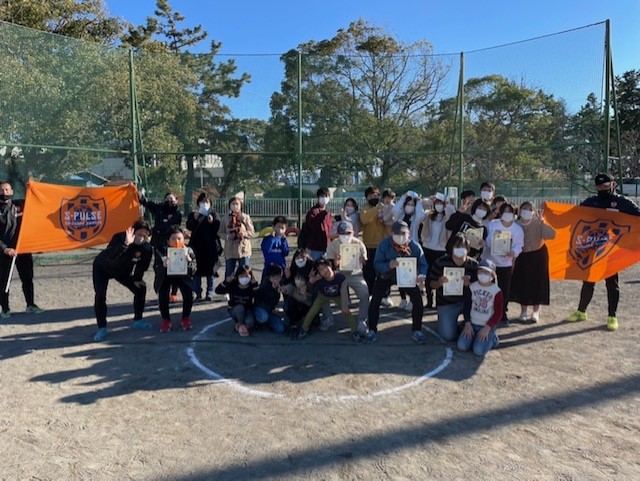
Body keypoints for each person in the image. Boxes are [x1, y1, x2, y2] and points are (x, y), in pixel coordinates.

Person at [565, 173, 640, 331]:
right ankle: (581, 311)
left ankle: (612, 316)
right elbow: (572, 214)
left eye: (605, 186)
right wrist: (551, 212)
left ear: (613, 184)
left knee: (612, 283)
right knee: (588, 280)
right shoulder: (591, 202)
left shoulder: (622, 202)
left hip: (611, 250)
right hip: (592, 248)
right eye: (599, 186)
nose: (602, 189)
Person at [365, 221, 428, 344]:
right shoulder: (384, 245)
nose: (401, 236)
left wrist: (422, 275)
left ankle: (417, 330)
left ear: (408, 234)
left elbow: (423, 264)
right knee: (375, 300)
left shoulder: (415, 246)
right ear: (391, 233)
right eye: (398, 234)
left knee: (418, 301)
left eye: (404, 234)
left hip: (407, 278)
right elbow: (377, 264)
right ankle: (372, 330)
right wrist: (388, 265)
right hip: (386, 276)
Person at [92, 220, 153, 342]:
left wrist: (137, 279)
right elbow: (110, 256)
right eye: (139, 234)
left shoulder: (146, 248)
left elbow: (142, 266)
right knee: (100, 295)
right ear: (133, 232)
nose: (141, 238)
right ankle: (101, 328)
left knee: (141, 288)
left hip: (122, 271)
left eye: (145, 235)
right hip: (103, 267)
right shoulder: (120, 237)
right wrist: (125, 244)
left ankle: (138, 320)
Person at [0, 180, 44, 318]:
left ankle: (30, 305)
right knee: (3, 281)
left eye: (7, 190)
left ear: (12, 191)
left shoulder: (19, 205)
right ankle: (5, 309)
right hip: (5, 252)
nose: (5, 192)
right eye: (2, 190)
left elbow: (36, 202)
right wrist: (4, 249)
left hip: (22, 249)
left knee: (27, 278)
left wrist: (32, 188)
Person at [511, 201, 556, 323]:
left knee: (538, 282)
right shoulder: (515, 224)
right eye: (524, 208)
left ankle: (536, 311)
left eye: (530, 209)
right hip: (521, 255)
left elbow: (552, 235)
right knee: (523, 282)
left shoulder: (538, 223)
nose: (527, 211)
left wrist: (543, 223)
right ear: (520, 210)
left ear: (534, 212)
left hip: (539, 255)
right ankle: (523, 311)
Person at [296, 258, 362, 342]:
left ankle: (355, 331)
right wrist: (311, 282)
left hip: (338, 296)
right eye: (321, 270)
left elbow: (344, 293)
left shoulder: (340, 277)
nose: (324, 270)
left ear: (330, 266)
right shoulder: (319, 280)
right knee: (312, 310)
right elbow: (309, 292)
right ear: (319, 273)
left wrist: (345, 305)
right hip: (323, 296)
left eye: (325, 267)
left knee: (347, 312)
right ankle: (304, 329)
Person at [429, 233, 478, 341]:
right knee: (447, 336)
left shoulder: (474, 265)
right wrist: (439, 282)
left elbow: (481, 288)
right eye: (457, 246)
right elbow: (431, 284)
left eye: (463, 246)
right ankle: (450, 324)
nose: (460, 249)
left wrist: (470, 284)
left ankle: (464, 325)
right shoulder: (441, 262)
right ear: (451, 248)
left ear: (468, 249)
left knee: (476, 328)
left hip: (468, 303)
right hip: (446, 303)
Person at [325, 220, 369, 335]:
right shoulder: (333, 245)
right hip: (338, 275)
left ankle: (362, 320)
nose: (345, 236)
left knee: (365, 293)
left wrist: (363, 260)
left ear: (353, 233)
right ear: (338, 234)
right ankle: (328, 317)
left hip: (356, 274)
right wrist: (336, 261)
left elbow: (365, 262)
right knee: (322, 291)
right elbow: (329, 266)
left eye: (348, 233)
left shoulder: (358, 243)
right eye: (342, 233)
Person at [482, 202, 524, 324]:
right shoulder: (493, 224)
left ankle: (501, 312)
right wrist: (487, 245)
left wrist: (512, 252)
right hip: (489, 261)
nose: (507, 214)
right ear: (500, 213)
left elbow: (519, 245)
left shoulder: (517, 229)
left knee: (504, 289)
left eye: (510, 212)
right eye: (505, 211)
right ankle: (487, 311)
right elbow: (487, 240)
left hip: (505, 264)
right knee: (488, 287)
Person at [139, 190, 182, 302]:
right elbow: (148, 203)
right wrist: (141, 197)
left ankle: (173, 293)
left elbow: (172, 226)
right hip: (159, 245)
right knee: (160, 270)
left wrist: (158, 229)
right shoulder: (159, 209)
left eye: (171, 199)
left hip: (173, 245)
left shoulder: (178, 214)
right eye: (167, 199)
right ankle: (161, 293)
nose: (169, 201)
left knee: (176, 270)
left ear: (176, 200)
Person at [458, 259, 501, 357]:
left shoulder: (496, 291)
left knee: (478, 351)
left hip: (487, 325)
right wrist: (467, 323)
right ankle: (476, 338)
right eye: (480, 271)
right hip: (472, 324)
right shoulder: (472, 287)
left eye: (486, 272)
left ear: (493, 275)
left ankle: (493, 338)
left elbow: (498, 313)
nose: (483, 274)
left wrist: (488, 328)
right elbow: (467, 306)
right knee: (462, 346)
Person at [156, 226, 196, 333]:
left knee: (189, 294)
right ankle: (166, 320)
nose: (176, 241)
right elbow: (156, 267)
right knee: (163, 295)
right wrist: (163, 265)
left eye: (179, 238)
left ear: (184, 239)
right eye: (173, 239)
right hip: (166, 277)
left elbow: (194, 269)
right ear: (168, 241)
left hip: (182, 276)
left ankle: (185, 318)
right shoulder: (161, 251)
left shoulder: (189, 250)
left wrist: (189, 262)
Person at [392, 191, 426, 312]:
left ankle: (412, 300)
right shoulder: (399, 216)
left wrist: (419, 202)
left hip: (412, 249)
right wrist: (403, 197)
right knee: (400, 274)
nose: (409, 206)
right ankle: (403, 298)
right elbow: (394, 210)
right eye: (408, 204)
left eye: (412, 204)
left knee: (412, 275)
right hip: (398, 247)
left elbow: (422, 215)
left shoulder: (416, 218)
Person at [421, 192, 455, 309]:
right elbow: (423, 204)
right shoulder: (429, 215)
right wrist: (431, 199)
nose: (439, 205)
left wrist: (447, 203)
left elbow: (451, 211)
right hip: (428, 247)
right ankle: (429, 300)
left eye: (441, 203)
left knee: (440, 275)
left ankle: (439, 300)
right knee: (429, 275)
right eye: (437, 203)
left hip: (442, 249)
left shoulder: (448, 216)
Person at [186, 192, 222, 302]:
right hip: (196, 247)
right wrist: (195, 218)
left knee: (211, 271)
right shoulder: (194, 214)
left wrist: (212, 222)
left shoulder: (214, 214)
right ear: (198, 203)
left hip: (210, 247)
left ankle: (210, 292)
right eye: (202, 201)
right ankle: (197, 293)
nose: (204, 203)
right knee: (195, 271)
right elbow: (189, 226)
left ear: (210, 203)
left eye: (206, 201)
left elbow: (218, 229)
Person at [359, 186, 392, 307]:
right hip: (369, 246)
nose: (375, 197)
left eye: (377, 195)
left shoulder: (386, 208)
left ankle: (385, 295)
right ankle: (370, 294)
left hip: (383, 246)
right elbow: (364, 219)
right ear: (367, 197)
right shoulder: (365, 209)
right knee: (369, 273)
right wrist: (377, 208)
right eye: (372, 195)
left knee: (385, 271)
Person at [215, 265, 258, 337]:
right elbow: (218, 291)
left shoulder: (252, 285)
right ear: (237, 276)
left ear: (251, 276)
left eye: (246, 276)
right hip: (234, 309)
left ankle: (242, 326)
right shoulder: (233, 284)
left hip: (247, 310)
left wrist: (255, 285)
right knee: (240, 308)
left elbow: (260, 296)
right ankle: (240, 323)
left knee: (250, 322)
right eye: (242, 276)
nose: (244, 278)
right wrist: (226, 282)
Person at [220, 196, 255, 278]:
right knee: (229, 274)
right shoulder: (225, 218)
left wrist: (244, 234)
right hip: (230, 250)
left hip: (243, 249)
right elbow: (220, 232)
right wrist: (228, 236)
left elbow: (252, 231)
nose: (235, 206)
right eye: (233, 204)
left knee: (245, 273)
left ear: (240, 205)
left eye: (237, 204)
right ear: (229, 205)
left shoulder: (245, 217)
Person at [254, 263, 286, 334]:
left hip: (270, 310)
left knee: (280, 329)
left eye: (278, 277)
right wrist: (274, 291)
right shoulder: (265, 284)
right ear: (269, 277)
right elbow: (261, 301)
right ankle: (257, 321)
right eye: (274, 277)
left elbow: (274, 302)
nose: (276, 279)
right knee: (263, 317)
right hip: (260, 308)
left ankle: (268, 322)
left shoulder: (280, 283)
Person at [303, 187, 333, 261]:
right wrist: (322, 215)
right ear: (318, 198)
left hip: (327, 247)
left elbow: (330, 228)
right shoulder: (313, 211)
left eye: (326, 196)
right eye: (322, 196)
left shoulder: (328, 212)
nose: (324, 198)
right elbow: (312, 226)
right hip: (315, 247)